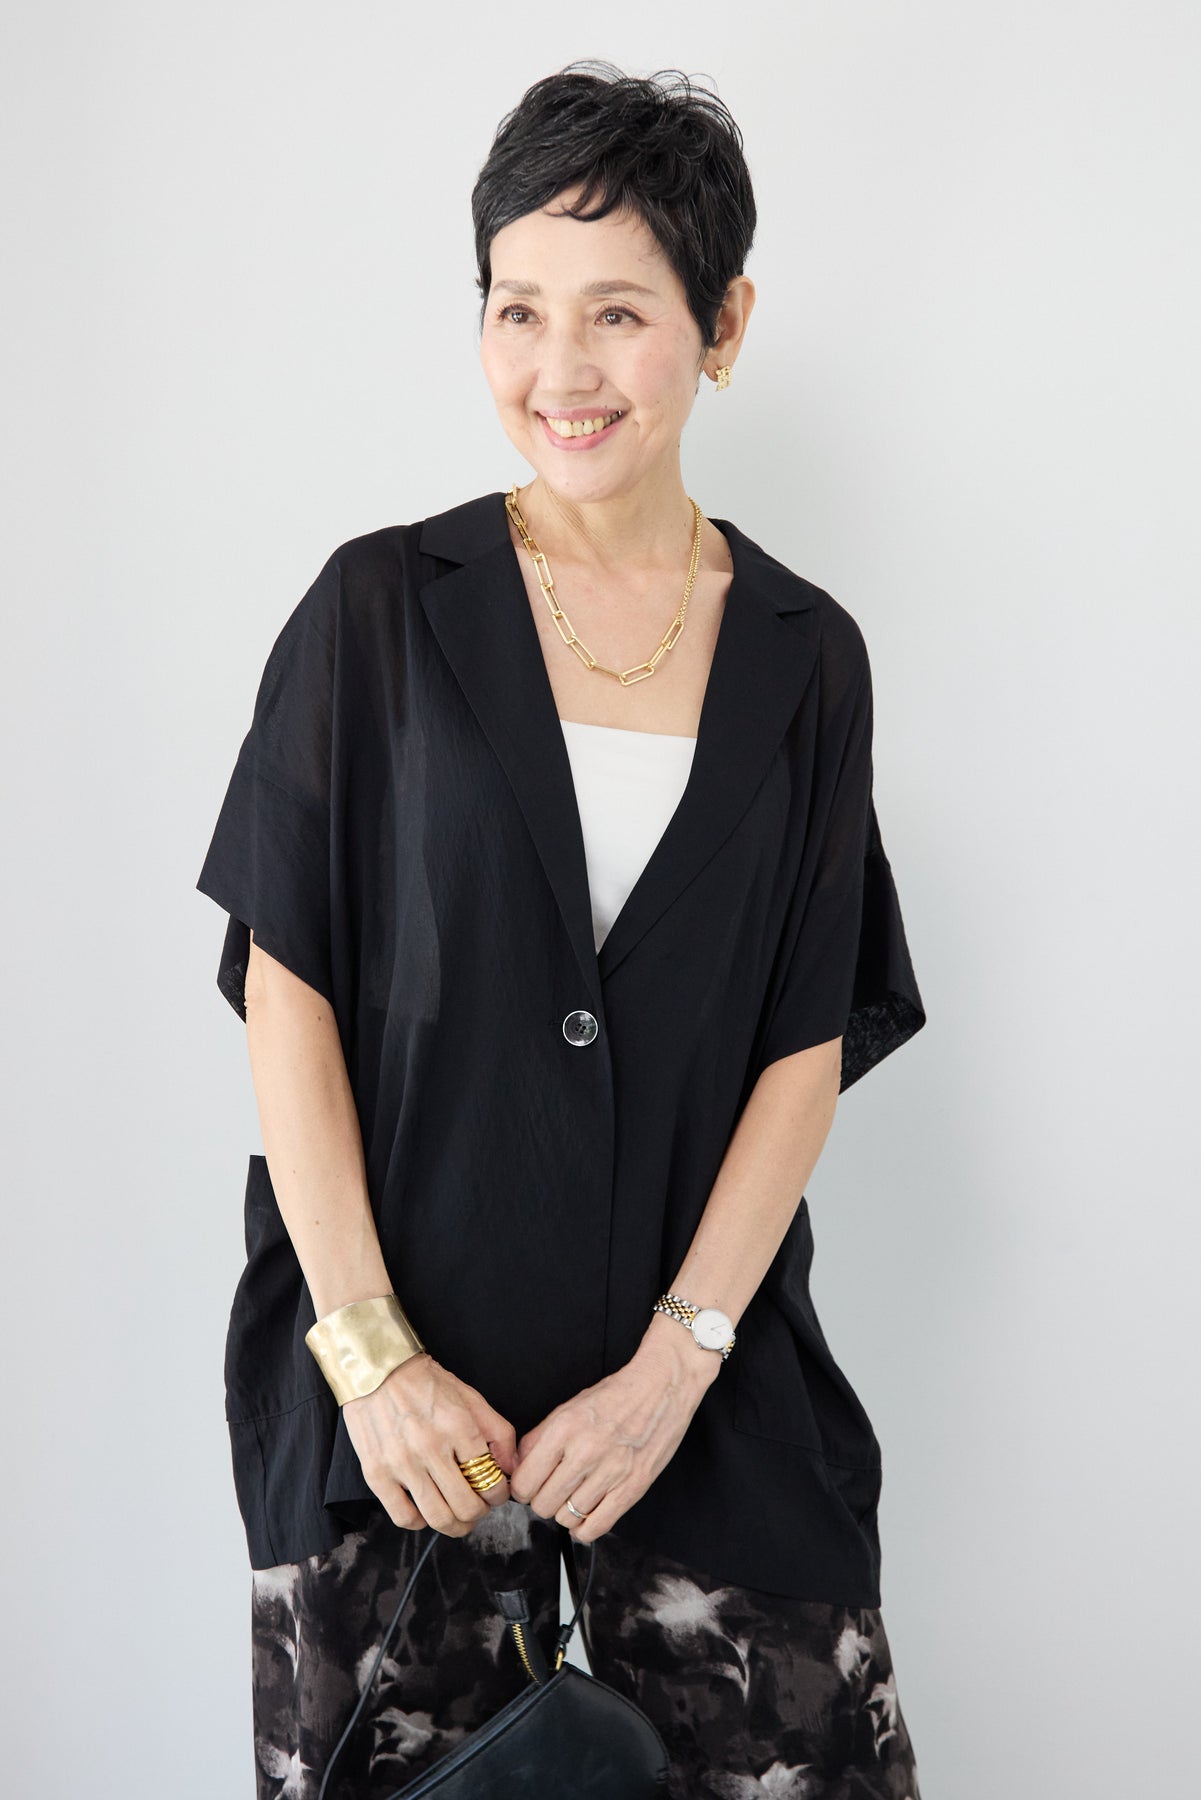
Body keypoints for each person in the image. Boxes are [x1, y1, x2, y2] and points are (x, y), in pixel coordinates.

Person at [196, 60, 927, 1800]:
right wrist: (368, 1355)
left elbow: (804, 1039)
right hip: (403, 1421)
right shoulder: (380, 609)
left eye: (617, 312)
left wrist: (677, 1367)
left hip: (710, 1392)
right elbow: (287, 990)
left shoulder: (805, 657)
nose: (558, 367)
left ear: (721, 325)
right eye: (515, 308)